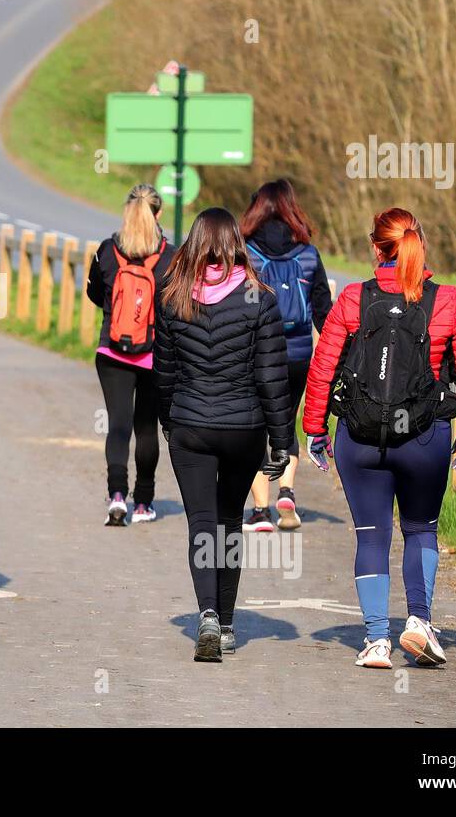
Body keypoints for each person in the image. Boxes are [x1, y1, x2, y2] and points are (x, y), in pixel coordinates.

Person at [302, 208, 456, 670]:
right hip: (425, 439)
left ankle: (376, 641)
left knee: (371, 535)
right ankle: (419, 623)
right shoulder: (447, 301)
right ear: (418, 244)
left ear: (375, 248)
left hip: (360, 439)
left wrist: (315, 429)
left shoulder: (351, 299)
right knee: (421, 528)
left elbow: (323, 366)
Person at [153, 207, 291, 662]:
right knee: (230, 522)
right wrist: (281, 440)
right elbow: (272, 376)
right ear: (235, 242)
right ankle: (227, 624)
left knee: (200, 524)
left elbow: (165, 371)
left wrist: (169, 420)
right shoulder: (259, 297)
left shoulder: (172, 295)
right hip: (243, 428)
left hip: (191, 425)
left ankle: (207, 615)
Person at [239, 178, 332, 532]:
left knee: (254, 428)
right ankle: (287, 491)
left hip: (255, 354)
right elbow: (324, 312)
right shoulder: (308, 254)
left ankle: (261, 512)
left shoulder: (244, 252)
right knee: (285, 423)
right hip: (297, 355)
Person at [86, 184, 173, 526]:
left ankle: (117, 494)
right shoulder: (170, 256)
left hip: (111, 352)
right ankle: (144, 502)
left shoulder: (108, 250)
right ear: (159, 214)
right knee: (146, 428)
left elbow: (95, 293)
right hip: (154, 355)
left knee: (118, 426)